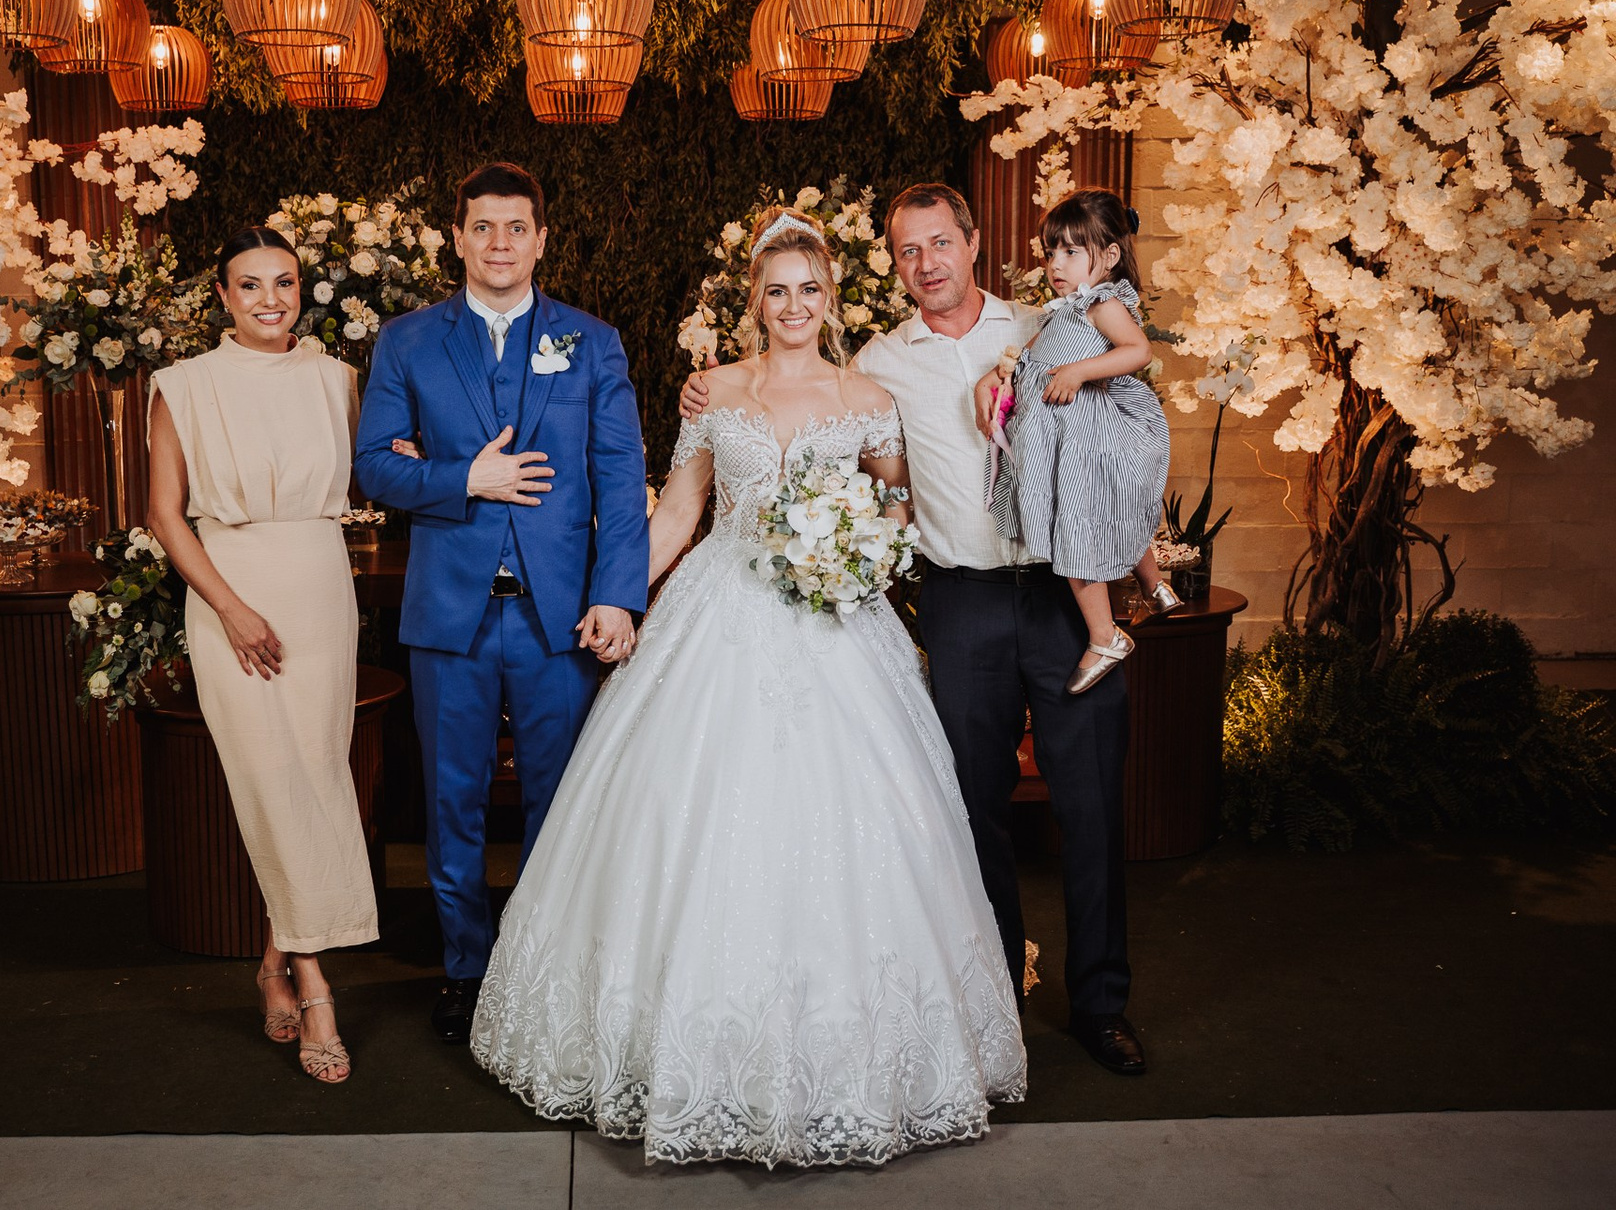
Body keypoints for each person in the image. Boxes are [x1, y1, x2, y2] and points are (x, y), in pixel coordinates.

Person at [474, 207, 1027, 1168]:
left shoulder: (868, 397)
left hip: (837, 624)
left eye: (809, 289)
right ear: (756, 304)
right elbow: (681, 510)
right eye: (777, 292)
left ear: (831, 298)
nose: (794, 305)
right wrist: (617, 597)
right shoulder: (715, 393)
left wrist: (860, 551)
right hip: (718, 607)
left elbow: (896, 506)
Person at [679, 184, 1148, 1076]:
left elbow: (1122, 415)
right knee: (970, 812)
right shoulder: (879, 367)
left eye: (940, 242)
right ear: (893, 265)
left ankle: (1101, 1003)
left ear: (973, 242)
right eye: (907, 251)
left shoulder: (1046, 326)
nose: (926, 263)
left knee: (1090, 805)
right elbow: (866, 479)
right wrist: (710, 389)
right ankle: (994, 1000)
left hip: (1062, 591)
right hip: (960, 601)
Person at [353, 162, 649, 1044]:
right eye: (482, 227)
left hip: (560, 617)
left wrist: (617, 596)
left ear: (541, 240)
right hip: (451, 615)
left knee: (562, 802)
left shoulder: (591, 341)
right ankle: (466, 971)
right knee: (454, 802)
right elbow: (372, 465)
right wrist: (463, 478)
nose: (500, 243)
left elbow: (621, 479)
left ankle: (544, 970)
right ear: (457, 238)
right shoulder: (408, 341)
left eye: (517, 227)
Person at [146, 228, 378, 1085]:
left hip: (320, 588)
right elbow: (164, 514)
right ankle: (315, 988)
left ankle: (272, 965)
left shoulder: (336, 379)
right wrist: (232, 608)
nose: (270, 299)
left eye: (284, 282)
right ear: (222, 295)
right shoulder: (182, 385)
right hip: (231, 592)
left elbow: (372, 476)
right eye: (250, 285)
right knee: (272, 781)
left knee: (314, 777)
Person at [989, 188, 1177, 694]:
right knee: (1109, 511)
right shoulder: (1063, 310)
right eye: (1051, 251)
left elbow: (1137, 350)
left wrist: (1079, 371)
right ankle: (1156, 586)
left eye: (1071, 251)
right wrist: (1002, 373)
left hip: (1086, 440)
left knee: (1079, 534)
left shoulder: (1102, 302)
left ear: (1109, 256)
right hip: (1066, 441)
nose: (1055, 263)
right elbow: (1027, 356)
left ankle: (1104, 636)